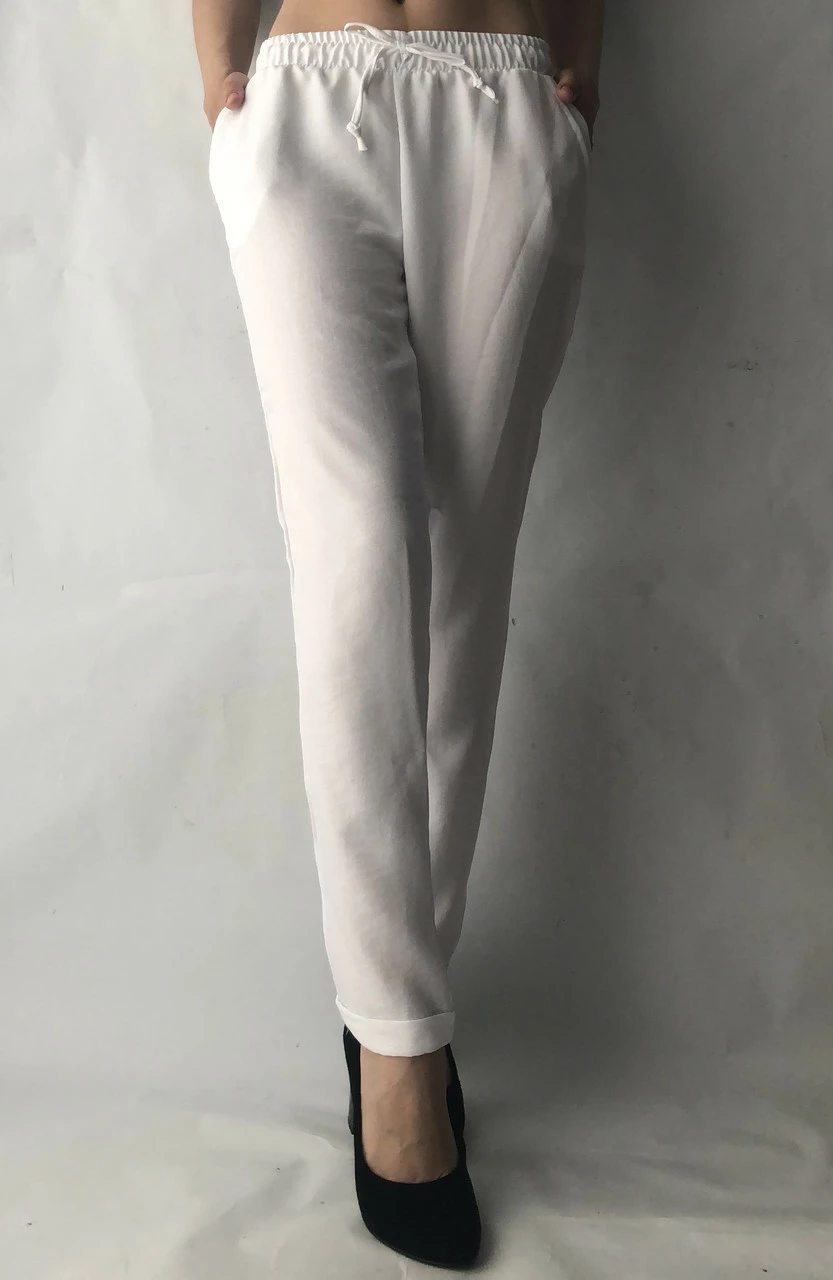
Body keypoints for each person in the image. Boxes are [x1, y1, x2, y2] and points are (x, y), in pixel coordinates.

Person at [192, 0, 603, 1265]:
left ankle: (395, 997)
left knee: (464, 578)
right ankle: (401, 1056)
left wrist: (580, 83)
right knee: (356, 553)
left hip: (504, 103)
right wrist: (220, 79)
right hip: (307, 104)